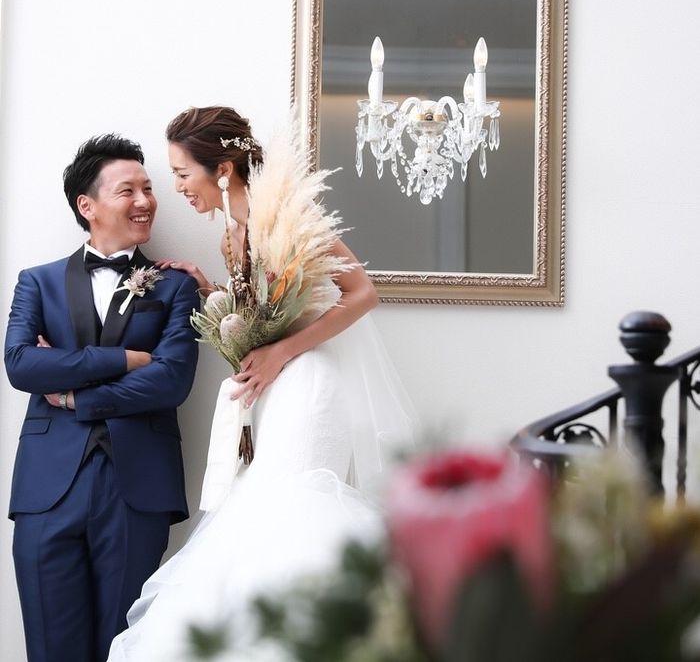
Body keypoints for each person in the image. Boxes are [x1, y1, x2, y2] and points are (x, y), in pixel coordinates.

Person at [107, 107, 416, 661]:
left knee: (294, 513)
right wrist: (212, 293)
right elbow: (265, 311)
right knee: (259, 518)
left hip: (308, 385)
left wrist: (281, 353)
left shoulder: (287, 218)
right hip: (269, 392)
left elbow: (362, 294)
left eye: (182, 173)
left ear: (223, 169)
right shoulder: (233, 234)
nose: (178, 188)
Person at [4, 135, 200, 662]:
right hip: (47, 489)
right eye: (127, 190)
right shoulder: (37, 282)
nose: (145, 201)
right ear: (86, 206)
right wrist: (121, 360)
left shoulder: (176, 287)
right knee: (51, 648)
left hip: (138, 488)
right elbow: (21, 364)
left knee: (126, 646)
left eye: (148, 189)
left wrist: (74, 396)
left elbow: (171, 380)